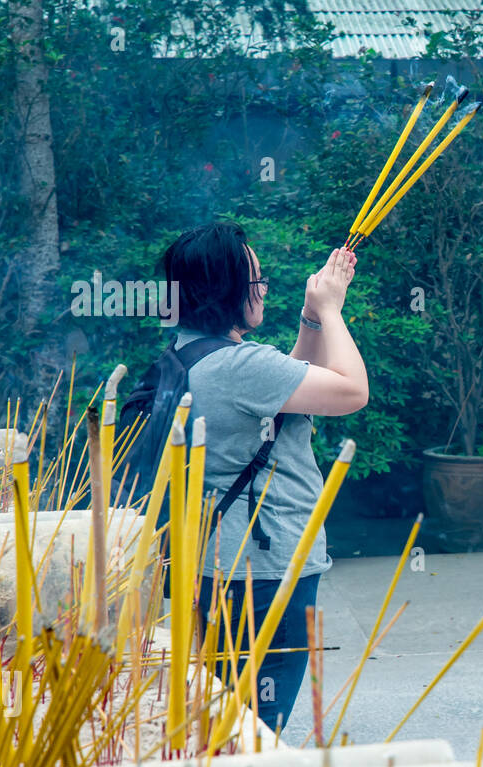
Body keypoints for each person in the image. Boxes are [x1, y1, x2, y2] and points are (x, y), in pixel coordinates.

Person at [158, 222, 369, 736]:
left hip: (215, 564)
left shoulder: (187, 356)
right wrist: (333, 310)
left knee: (224, 716)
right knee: (253, 727)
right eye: (256, 281)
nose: (263, 289)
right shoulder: (239, 368)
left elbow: (287, 386)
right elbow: (350, 391)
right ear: (227, 291)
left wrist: (311, 318)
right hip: (265, 570)